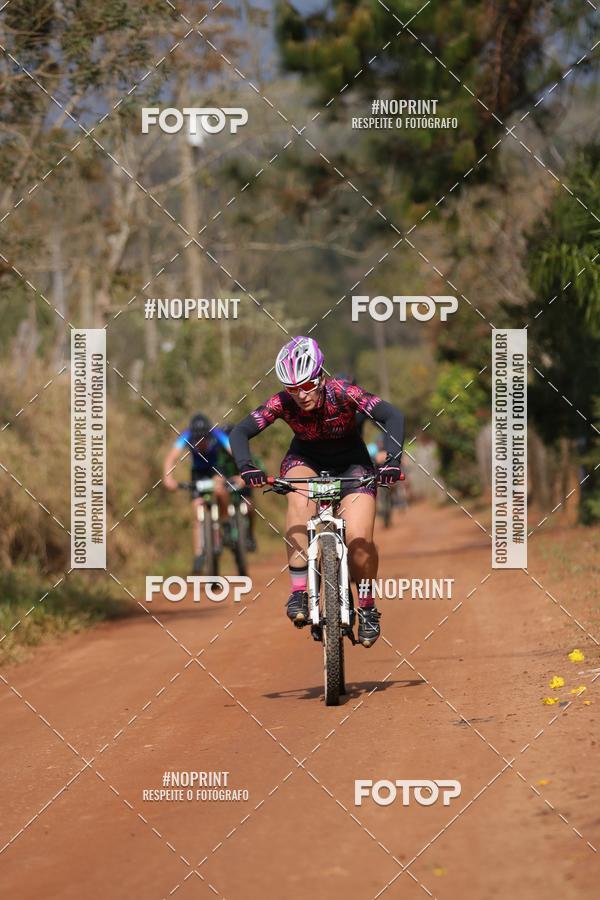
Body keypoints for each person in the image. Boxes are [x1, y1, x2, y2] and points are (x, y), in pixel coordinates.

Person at [230, 337, 404, 647]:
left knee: (360, 541)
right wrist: (247, 467)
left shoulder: (344, 392)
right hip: (305, 460)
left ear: (321, 376)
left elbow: (393, 416)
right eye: (292, 388)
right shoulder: (282, 402)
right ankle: (299, 591)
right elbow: (241, 431)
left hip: (352, 464)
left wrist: (392, 461)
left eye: (307, 385)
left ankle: (366, 607)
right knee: (299, 504)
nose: (301, 395)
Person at [162, 413, 232, 573]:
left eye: (204, 438)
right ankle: (199, 554)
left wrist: (243, 469)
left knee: (221, 489)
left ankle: (225, 520)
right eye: (197, 438)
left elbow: (232, 450)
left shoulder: (217, 433)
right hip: (197, 473)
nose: (200, 441)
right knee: (196, 509)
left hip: (215, 469)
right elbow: (170, 458)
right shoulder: (186, 435)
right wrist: (168, 478)